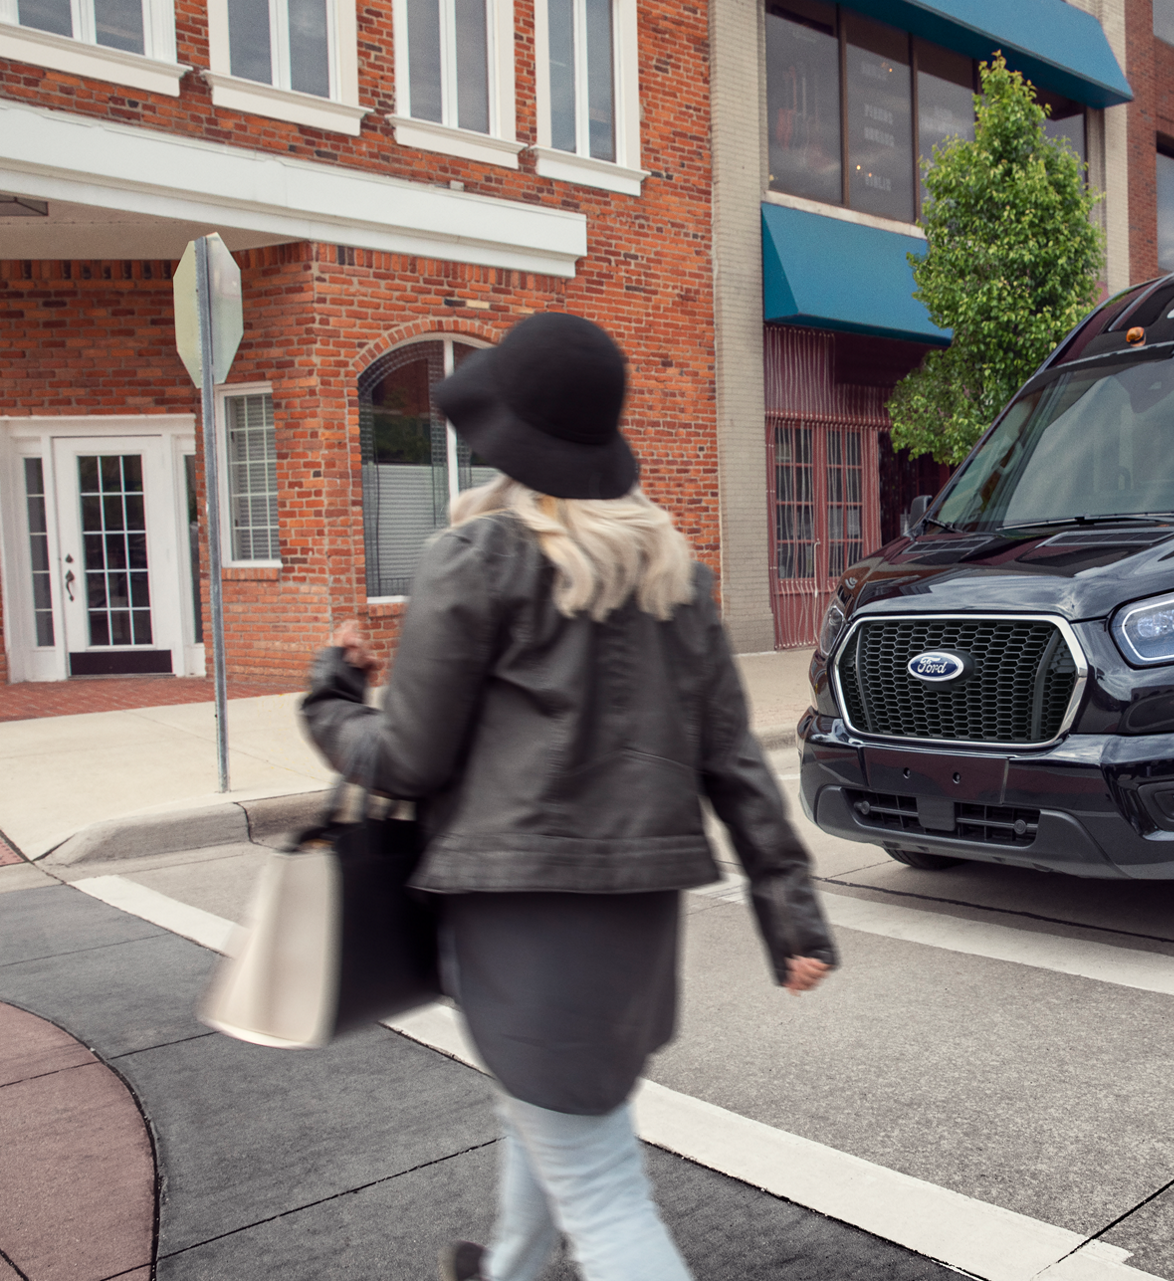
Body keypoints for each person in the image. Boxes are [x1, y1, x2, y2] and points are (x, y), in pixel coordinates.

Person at [301, 312, 837, 1281]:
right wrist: (791, 914)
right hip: (633, 931)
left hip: (522, 923)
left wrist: (329, 701)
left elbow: (408, 760)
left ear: (505, 441)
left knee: (600, 1190)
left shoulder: (479, 561)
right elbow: (736, 764)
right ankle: (508, 1270)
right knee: (554, 1110)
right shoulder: (676, 578)